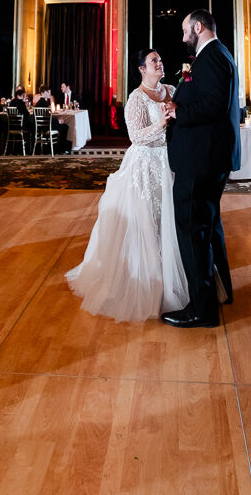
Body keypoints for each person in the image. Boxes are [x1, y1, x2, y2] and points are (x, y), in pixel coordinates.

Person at [65, 49, 188, 321]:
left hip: (170, 161)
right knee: (147, 221)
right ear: (142, 69)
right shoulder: (136, 98)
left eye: (160, 59)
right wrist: (163, 121)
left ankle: (175, 278)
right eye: (154, 61)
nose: (160, 63)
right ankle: (148, 284)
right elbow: (136, 136)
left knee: (172, 220)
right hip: (145, 165)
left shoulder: (170, 89)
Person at [161, 9, 241, 329]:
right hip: (208, 157)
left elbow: (214, 105)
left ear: (198, 27)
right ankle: (220, 294)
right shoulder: (215, 55)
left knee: (193, 231)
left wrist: (179, 110)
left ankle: (201, 310)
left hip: (202, 159)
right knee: (208, 227)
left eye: (185, 31)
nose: (183, 38)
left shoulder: (213, 57)